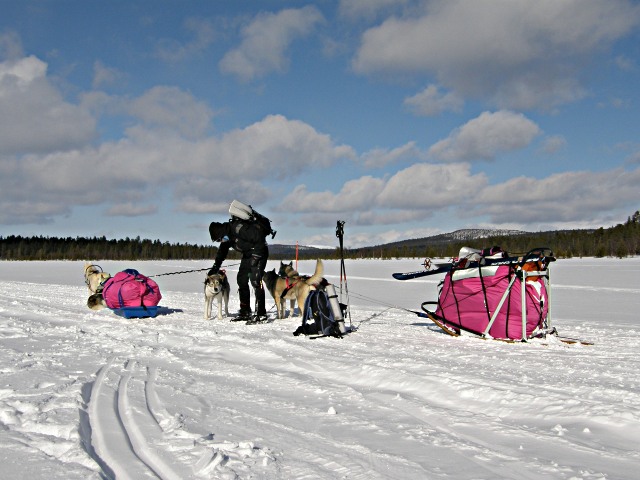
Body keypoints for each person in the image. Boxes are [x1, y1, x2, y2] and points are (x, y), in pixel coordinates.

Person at [208, 216, 269, 322]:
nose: (220, 241)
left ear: (220, 232)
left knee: (255, 280)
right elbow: (222, 252)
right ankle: (245, 311)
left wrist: (256, 257)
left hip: (260, 252)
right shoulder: (227, 237)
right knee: (241, 279)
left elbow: (259, 237)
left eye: (219, 239)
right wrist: (215, 266)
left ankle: (261, 313)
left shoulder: (237, 228)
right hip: (248, 254)